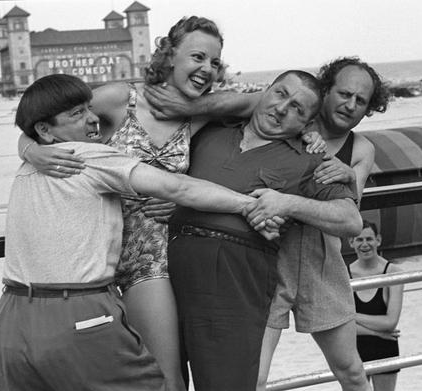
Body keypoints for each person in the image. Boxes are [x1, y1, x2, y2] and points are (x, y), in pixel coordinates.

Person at [17, 17, 322, 391]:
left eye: (214, 62)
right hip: (117, 258)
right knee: (161, 379)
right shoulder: (120, 99)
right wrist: (31, 150)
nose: (206, 68)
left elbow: (270, 102)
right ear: (169, 53)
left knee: (172, 377)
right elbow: (43, 121)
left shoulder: (202, 114)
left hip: (170, 256)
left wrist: (311, 133)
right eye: (197, 56)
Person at [0, 73, 278, 391]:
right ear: (45, 130)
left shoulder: (27, 170)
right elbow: (179, 187)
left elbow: (30, 137)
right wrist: (248, 205)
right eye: (76, 114)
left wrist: (28, 147)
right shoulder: (88, 156)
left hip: (8, 325)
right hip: (75, 312)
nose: (91, 119)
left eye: (89, 108)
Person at [144, 57, 390, 391]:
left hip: (310, 259)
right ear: (327, 91)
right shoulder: (236, 125)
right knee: (225, 376)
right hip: (236, 262)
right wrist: (181, 200)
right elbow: (222, 112)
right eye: (344, 94)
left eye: (360, 101)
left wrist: (287, 201)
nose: (350, 105)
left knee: (348, 367)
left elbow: (350, 215)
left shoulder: (333, 151)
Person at [348, 220, 404, 391]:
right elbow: (341, 326)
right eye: (359, 240)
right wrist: (376, 332)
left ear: (378, 240)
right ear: (351, 242)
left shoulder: (393, 273)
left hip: (384, 349)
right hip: (352, 348)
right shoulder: (344, 275)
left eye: (369, 239)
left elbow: (390, 323)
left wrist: (353, 316)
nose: (364, 244)